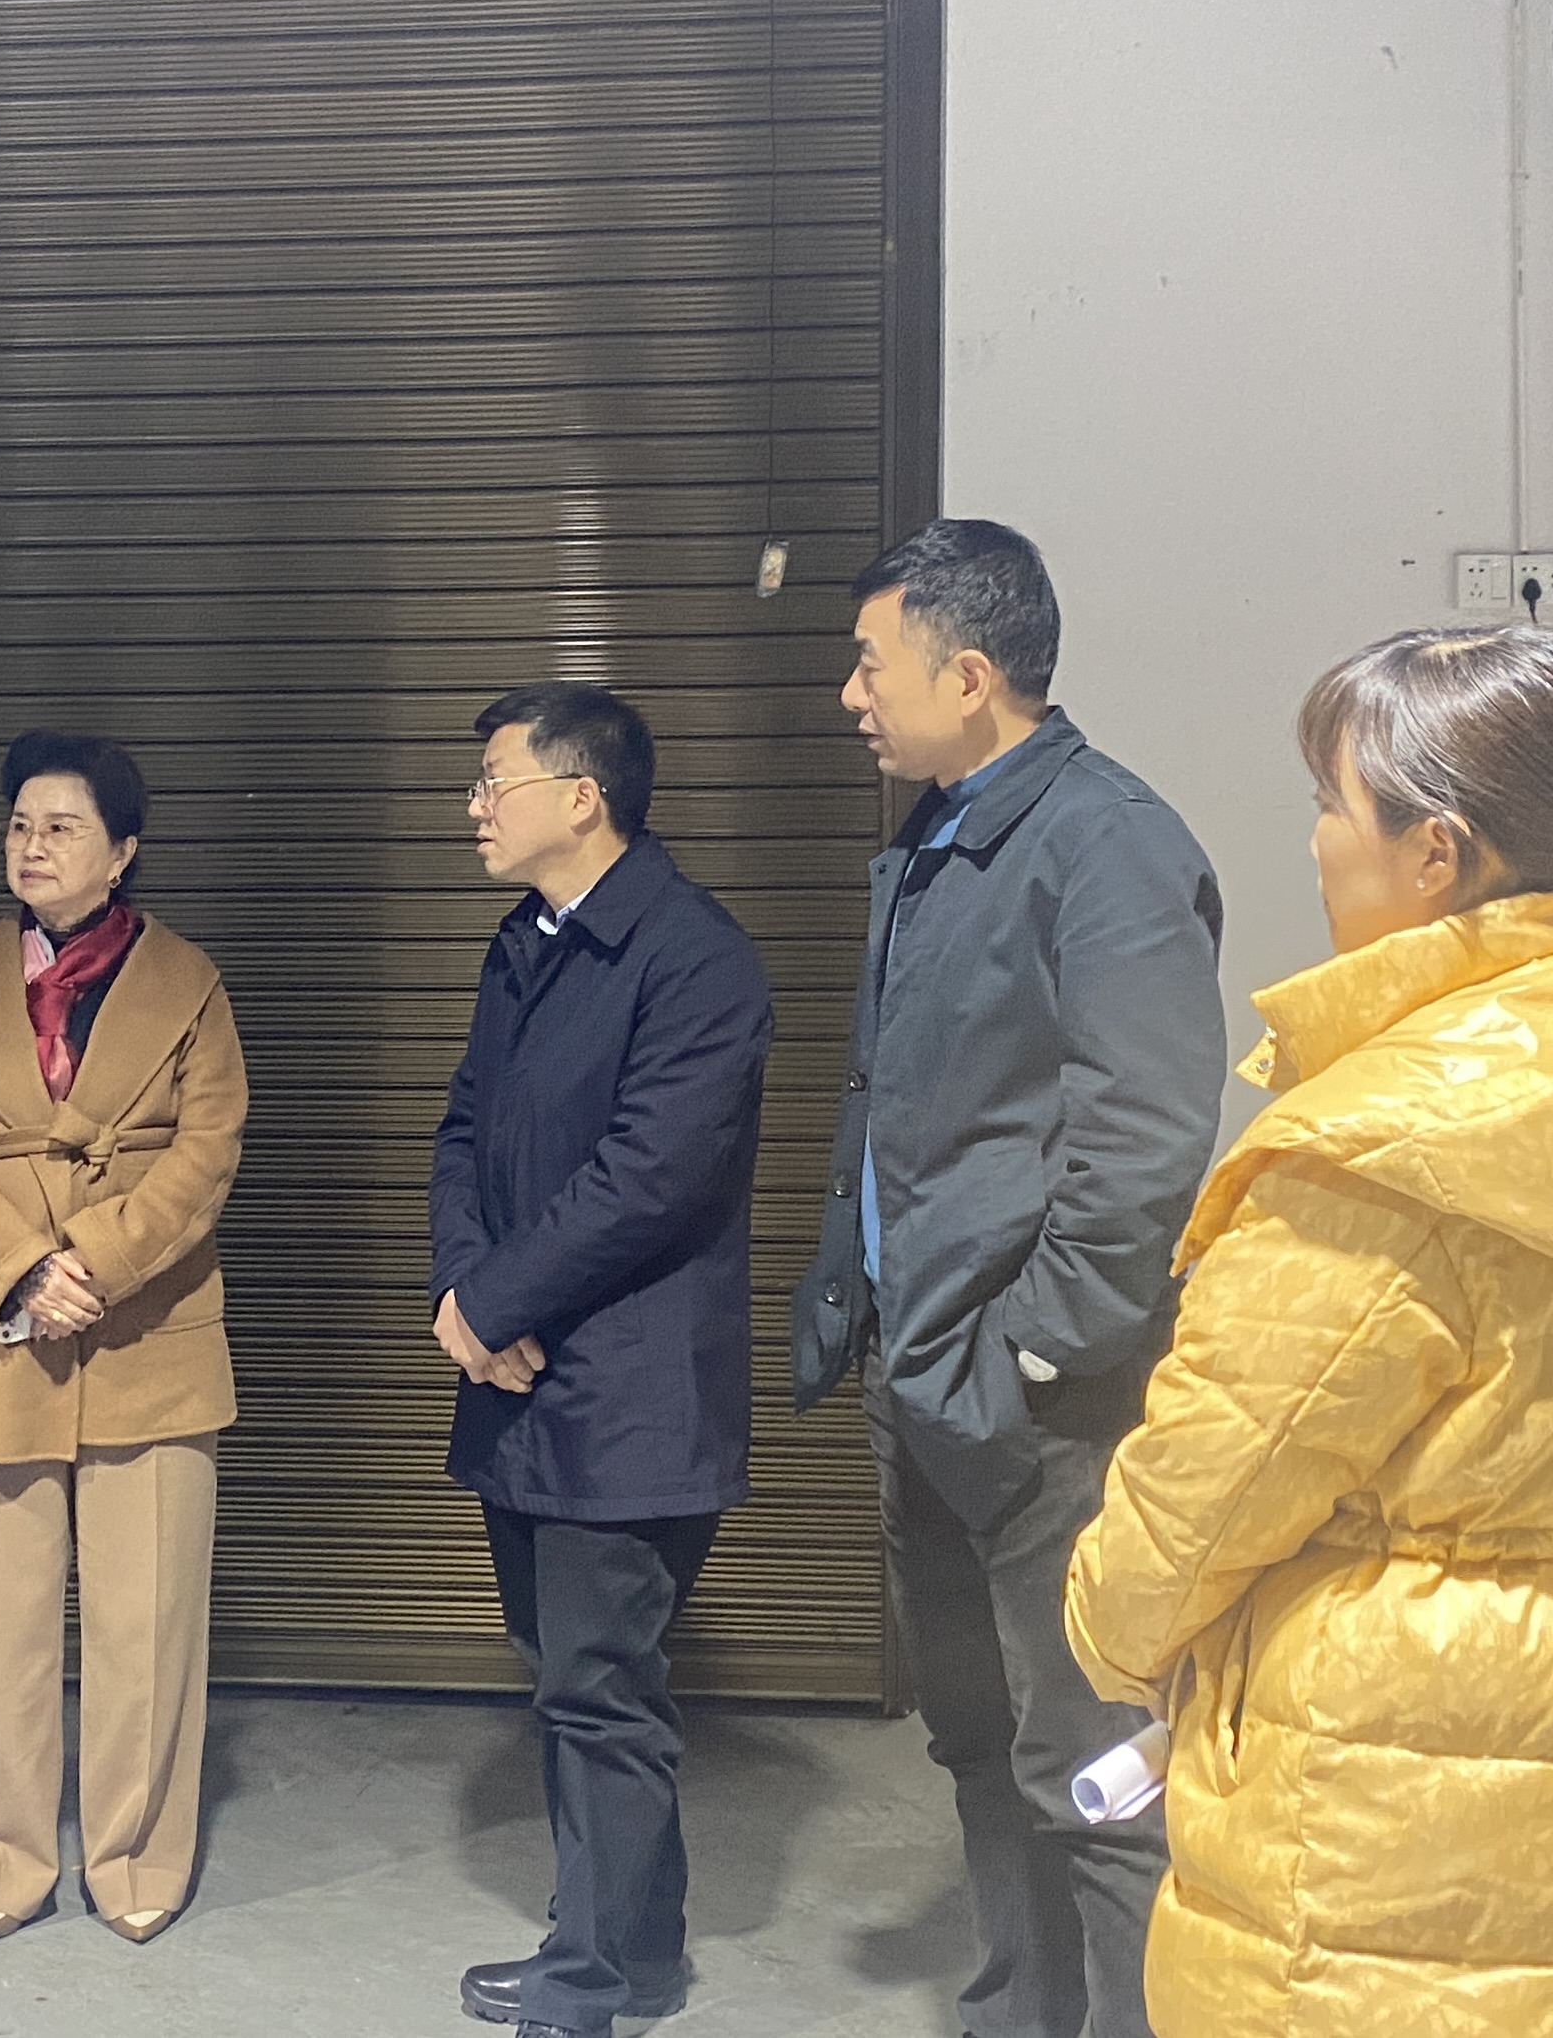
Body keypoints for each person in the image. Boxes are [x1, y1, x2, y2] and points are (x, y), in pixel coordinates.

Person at [1064, 626, 1553, 2038]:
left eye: (1331, 804)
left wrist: (1107, 1632)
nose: (1316, 840)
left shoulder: (1379, 1155)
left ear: (1435, 856)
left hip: (1386, 1784)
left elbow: (1199, 1504)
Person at [800, 518, 1226, 2038]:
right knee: (979, 1740)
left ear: (969, 675)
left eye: (871, 664)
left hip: (1046, 1410)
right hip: (927, 1373)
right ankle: (1018, 2012)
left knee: (1096, 1773)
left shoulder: (1106, 844)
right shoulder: (943, 833)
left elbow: (1148, 1132)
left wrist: (1036, 1347)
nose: (850, 694)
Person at [430, 682, 775, 2038]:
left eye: (494, 782)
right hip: (518, 1377)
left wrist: (500, 1301)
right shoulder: (525, 943)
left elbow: (652, 1178)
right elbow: (464, 1130)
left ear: (582, 798)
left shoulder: (694, 958)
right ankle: (636, 1950)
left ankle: (583, 1984)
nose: (474, 807)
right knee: (577, 1676)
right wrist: (468, 1296)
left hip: (629, 1393)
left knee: (597, 1690)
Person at [0, 731, 249, 1945]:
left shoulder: (190, 982)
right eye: (19, 825)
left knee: (149, 1624)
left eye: (62, 827)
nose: (32, 846)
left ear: (123, 850)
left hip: (148, 1325)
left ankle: (136, 1859)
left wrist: (92, 1260)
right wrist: (23, 1271)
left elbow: (208, 1151)